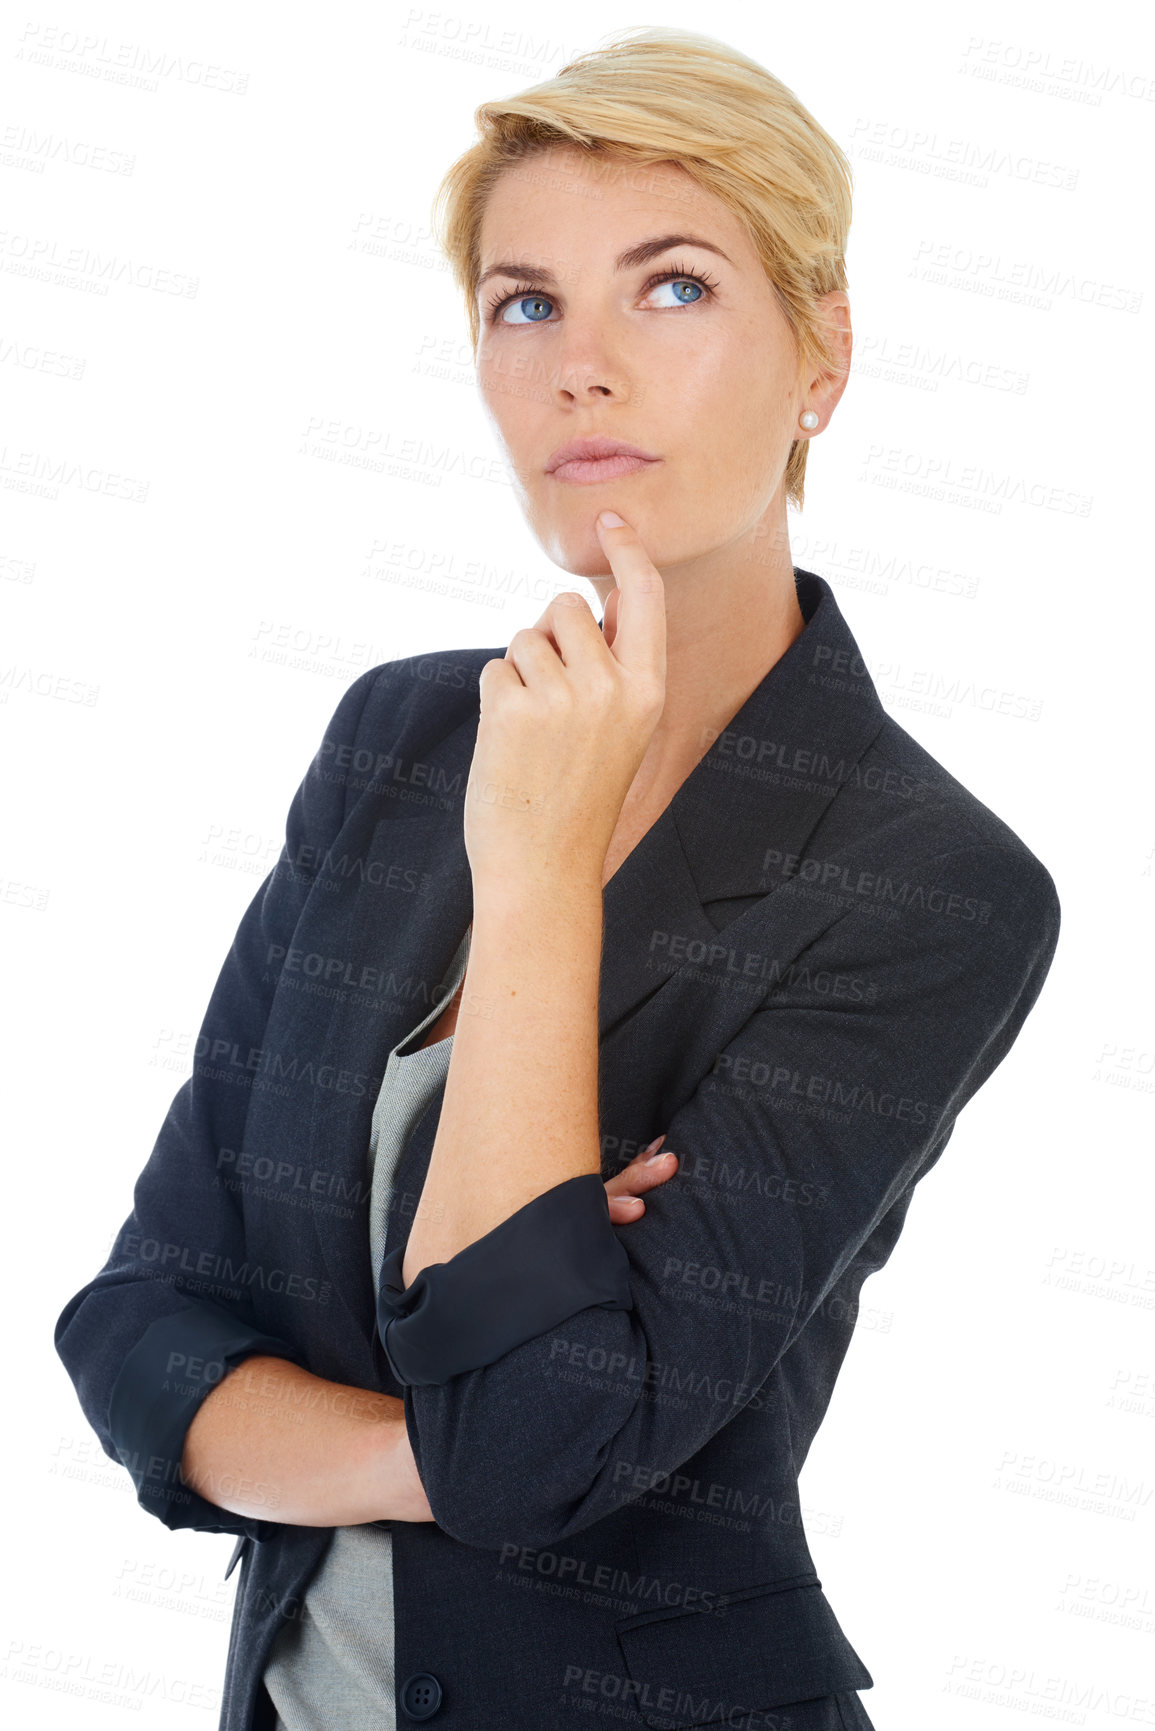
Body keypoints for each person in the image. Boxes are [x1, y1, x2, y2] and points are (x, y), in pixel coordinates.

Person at [55, 28, 1061, 1731]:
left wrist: (534, 873)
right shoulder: (396, 740)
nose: (579, 367)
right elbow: (138, 1324)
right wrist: (421, 1449)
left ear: (822, 352)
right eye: (525, 305)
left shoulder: (927, 882)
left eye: (669, 290)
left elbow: (545, 1440)